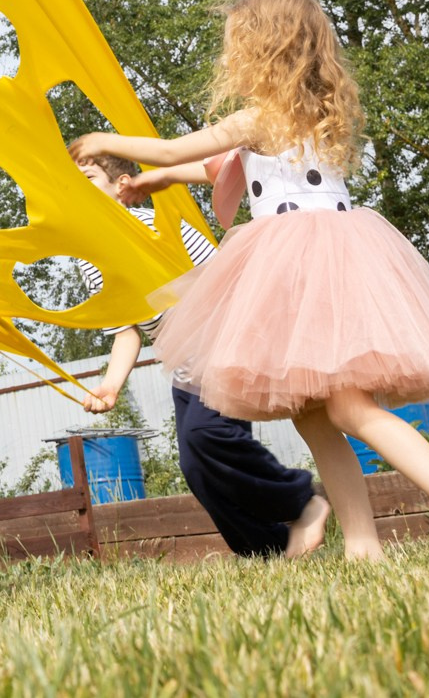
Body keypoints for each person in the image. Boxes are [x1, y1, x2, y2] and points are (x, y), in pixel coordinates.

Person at [70, 0, 429, 560]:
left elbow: (177, 148)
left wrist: (106, 141)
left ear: (264, 52)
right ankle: (361, 544)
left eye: (235, 49)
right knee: (314, 415)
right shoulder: (306, 116)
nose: (228, 63)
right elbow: (244, 172)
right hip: (330, 255)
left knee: (349, 408)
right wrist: (165, 181)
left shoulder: (258, 116)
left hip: (305, 265)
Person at [69, 152, 330, 559]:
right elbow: (126, 330)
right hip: (186, 366)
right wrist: (110, 386)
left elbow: (224, 275)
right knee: (196, 467)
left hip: (225, 343)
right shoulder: (89, 260)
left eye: (89, 177)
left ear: (120, 187)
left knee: (208, 434)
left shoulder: (160, 225)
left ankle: (303, 501)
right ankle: (270, 549)